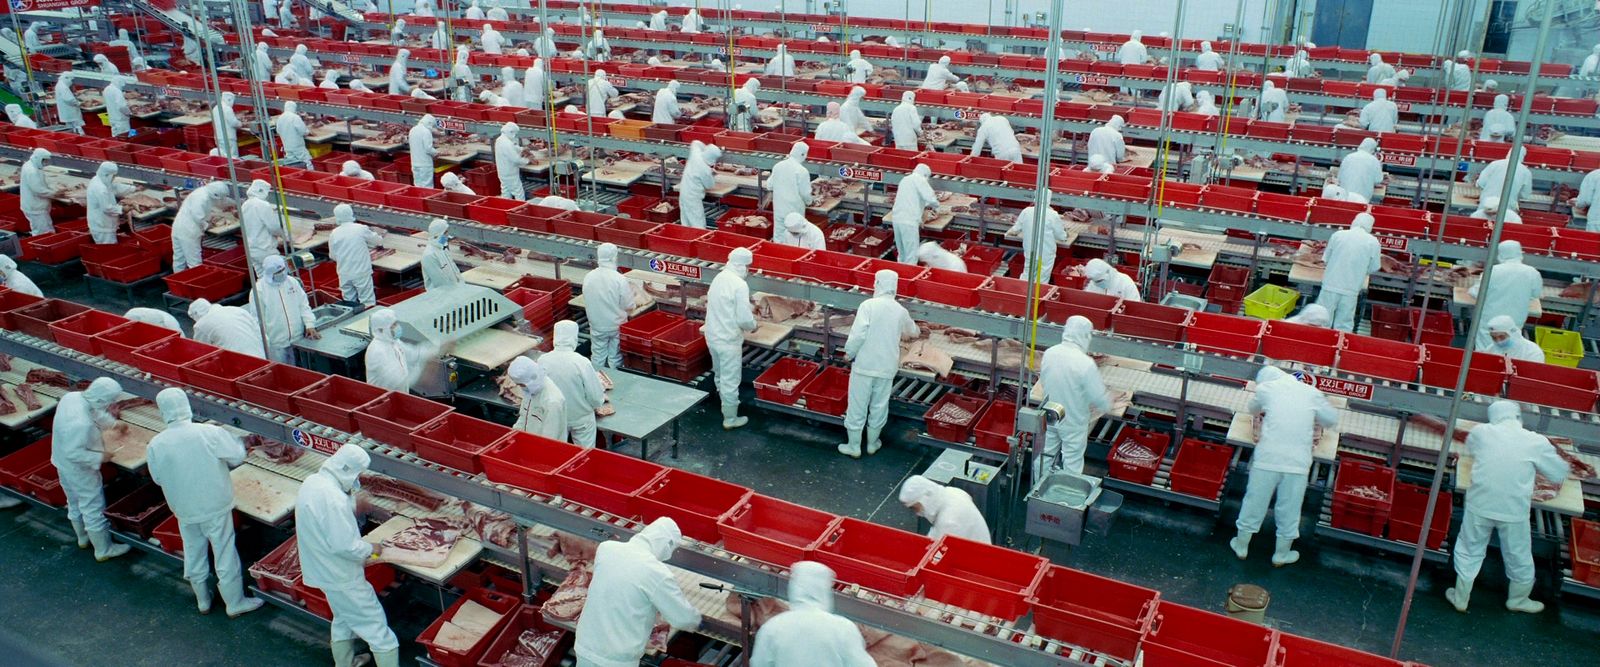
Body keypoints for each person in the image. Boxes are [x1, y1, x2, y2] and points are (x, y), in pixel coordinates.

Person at [146, 388, 266, 617]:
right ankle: (234, 602)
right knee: (224, 551)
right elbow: (236, 456)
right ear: (186, 406)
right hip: (215, 506)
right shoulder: (208, 433)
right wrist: (242, 444)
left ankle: (203, 599)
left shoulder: (156, 444)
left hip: (184, 509)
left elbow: (158, 478)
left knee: (194, 551)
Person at [1447, 400, 1569, 614]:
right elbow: (1558, 473)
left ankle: (1461, 597)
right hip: (1513, 510)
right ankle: (1518, 600)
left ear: (1493, 416)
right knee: (1518, 555)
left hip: (1480, 504)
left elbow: (1474, 449)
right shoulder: (1535, 441)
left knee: (1469, 548)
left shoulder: (1481, 432)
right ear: (1517, 418)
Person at [295, 444, 401, 667]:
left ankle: (345, 664)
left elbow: (326, 514)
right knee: (378, 630)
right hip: (341, 575)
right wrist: (372, 549)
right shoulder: (335, 499)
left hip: (322, 570)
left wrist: (354, 506)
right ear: (350, 471)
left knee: (343, 619)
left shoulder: (312, 482)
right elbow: (345, 546)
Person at [1228, 366, 1338, 566]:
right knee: (1290, 507)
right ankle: (1281, 555)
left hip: (1267, 458)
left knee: (1254, 502)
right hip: (1298, 463)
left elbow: (1252, 409)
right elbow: (1331, 419)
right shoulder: (1312, 393)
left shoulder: (1266, 389)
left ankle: (1242, 546)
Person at [574, 517, 701, 667]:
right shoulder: (656, 572)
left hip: (585, 645)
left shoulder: (607, 549)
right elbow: (684, 619)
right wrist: (700, 621)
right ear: (667, 545)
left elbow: (621, 591)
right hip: (616, 659)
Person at [836, 270, 919, 458]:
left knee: (857, 405)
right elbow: (913, 331)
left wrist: (849, 353)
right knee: (879, 405)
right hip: (886, 367)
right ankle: (872, 444)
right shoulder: (900, 310)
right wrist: (917, 329)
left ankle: (854, 446)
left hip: (865, 365)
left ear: (878, 284)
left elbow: (858, 335)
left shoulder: (868, 306)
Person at [51, 377, 133, 561]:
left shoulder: (72, 397)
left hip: (60, 461)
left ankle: (83, 538)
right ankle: (103, 550)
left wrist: (112, 423)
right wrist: (99, 457)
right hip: (78, 468)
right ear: (103, 400)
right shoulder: (82, 424)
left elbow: (93, 410)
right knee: (92, 506)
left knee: (73, 501)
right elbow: (74, 452)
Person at [750, 565, 875, 667]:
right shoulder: (842, 628)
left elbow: (759, 663)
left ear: (794, 588)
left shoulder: (773, 627)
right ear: (823, 590)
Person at [1037, 316, 1110, 478]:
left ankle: (1037, 490)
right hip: (1073, 420)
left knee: (1045, 456)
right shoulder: (1085, 363)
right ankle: (1064, 498)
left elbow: (1044, 380)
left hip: (1050, 414)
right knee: (1072, 462)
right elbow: (1099, 399)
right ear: (1084, 336)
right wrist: (1109, 402)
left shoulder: (1050, 353)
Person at [704, 248, 759, 430]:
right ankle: (730, 418)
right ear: (744, 265)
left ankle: (723, 404)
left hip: (712, 335)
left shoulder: (719, 278)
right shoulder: (739, 285)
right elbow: (743, 318)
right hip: (728, 340)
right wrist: (753, 325)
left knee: (719, 374)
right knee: (730, 379)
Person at [1312, 212, 1383, 332]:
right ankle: (1338, 348)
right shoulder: (1373, 242)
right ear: (1370, 226)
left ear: (1354, 221)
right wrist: (1360, 271)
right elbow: (1374, 267)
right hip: (1351, 289)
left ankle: (1319, 345)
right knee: (1344, 325)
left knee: (1321, 320)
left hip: (1330, 285)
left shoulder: (1338, 235)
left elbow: (1326, 259)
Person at [540, 320, 606, 447]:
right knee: (585, 453)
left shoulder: (543, 360)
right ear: (574, 338)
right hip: (580, 417)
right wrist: (597, 404)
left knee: (558, 451)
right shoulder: (581, 362)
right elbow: (595, 396)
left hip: (556, 415)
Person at [1469, 240, 1544, 351]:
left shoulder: (1493, 270)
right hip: (1515, 321)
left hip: (1490, 320)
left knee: (1485, 352)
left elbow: (1476, 293)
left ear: (1500, 253)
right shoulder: (1532, 273)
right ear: (1519, 253)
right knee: (1509, 353)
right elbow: (1536, 294)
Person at [249, 255, 318, 363]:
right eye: (278, 272)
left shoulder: (292, 282)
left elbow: (303, 305)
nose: (281, 273)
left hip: (299, 338)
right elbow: (258, 320)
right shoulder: (259, 290)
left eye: (282, 270)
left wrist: (309, 324)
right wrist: (265, 343)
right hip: (276, 343)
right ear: (270, 273)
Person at [581, 243, 632, 370]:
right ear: (614, 257)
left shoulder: (589, 277)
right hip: (616, 325)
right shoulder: (619, 279)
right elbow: (628, 305)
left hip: (597, 324)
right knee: (615, 356)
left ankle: (597, 380)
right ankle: (615, 379)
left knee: (598, 355)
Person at [898, 475, 990, 543]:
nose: (917, 513)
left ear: (925, 499)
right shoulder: (952, 492)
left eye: (915, 508)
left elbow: (940, 554)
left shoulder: (948, 521)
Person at [328, 204, 382, 307]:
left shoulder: (334, 233)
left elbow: (332, 256)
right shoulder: (360, 229)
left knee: (349, 304)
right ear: (351, 213)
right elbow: (378, 241)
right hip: (361, 272)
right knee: (367, 302)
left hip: (344, 274)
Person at [172, 182, 230, 272]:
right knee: (194, 262)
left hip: (179, 226)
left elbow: (222, 201)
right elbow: (198, 216)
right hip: (188, 230)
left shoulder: (202, 192)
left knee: (179, 258)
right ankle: (197, 283)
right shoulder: (202, 197)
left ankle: (177, 282)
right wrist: (207, 225)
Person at [507, 356, 567, 440]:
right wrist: (513, 434)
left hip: (543, 448)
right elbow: (523, 416)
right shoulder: (530, 390)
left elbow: (550, 438)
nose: (520, 387)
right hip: (529, 442)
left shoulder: (552, 401)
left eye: (521, 385)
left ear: (530, 381)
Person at [889, 164, 938, 264]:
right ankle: (909, 277)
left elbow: (914, 197)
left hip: (897, 220)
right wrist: (938, 207)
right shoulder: (920, 179)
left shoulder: (905, 179)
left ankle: (900, 273)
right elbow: (931, 198)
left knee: (902, 253)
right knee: (912, 255)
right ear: (925, 175)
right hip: (909, 222)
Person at [1007, 205, 1068, 283]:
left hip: (1030, 250)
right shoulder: (1053, 214)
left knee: (1027, 273)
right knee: (1042, 276)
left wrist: (1010, 232)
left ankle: (1022, 292)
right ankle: (1037, 294)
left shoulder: (1027, 211)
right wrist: (1065, 235)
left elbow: (1016, 229)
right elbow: (1060, 236)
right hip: (1046, 252)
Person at [189, 298, 266, 357]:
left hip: (238, 362)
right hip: (261, 354)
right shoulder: (235, 310)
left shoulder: (201, 324)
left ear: (196, 314)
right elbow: (259, 332)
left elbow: (201, 351)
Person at [239, 180, 287, 275]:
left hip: (252, 249)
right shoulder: (263, 205)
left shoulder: (245, 205)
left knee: (262, 277)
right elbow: (273, 227)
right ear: (263, 191)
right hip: (265, 249)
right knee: (279, 276)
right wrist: (284, 236)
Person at [768, 143, 814, 240]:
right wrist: (810, 201)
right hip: (794, 212)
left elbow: (769, 185)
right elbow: (805, 193)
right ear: (803, 155)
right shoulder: (802, 171)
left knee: (779, 238)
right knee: (795, 239)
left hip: (779, 209)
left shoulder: (778, 166)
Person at [677, 141, 720, 229]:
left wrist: (705, 148)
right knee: (698, 223)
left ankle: (687, 240)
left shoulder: (696, 155)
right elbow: (709, 186)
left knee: (686, 222)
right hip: (693, 198)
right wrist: (712, 174)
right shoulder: (705, 170)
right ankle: (699, 241)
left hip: (683, 192)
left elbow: (695, 143)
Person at [1476, 146, 1533, 211]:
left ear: (1508, 153)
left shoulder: (1495, 164)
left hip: (1487, 205)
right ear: (1523, 156)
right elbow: (1525, 195)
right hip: (1507, 208)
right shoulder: (1526, 172)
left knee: (1482, 220)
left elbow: (1481, 183)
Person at [19, 148, 55, 236]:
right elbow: (39, 190)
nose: (46, 163)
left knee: (41, 229)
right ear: (39, 158)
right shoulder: (32, 171)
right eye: (45, 161)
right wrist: (55, 193)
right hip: (36, 207)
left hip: (33, 205)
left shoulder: (30, 164)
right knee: (44, 233)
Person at [420, 219, 463, 291]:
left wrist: (462, 287)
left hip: (455, 293)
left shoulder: (443, 249)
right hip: (443, 298)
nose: (448, 235)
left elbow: (456, 272)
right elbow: (441, 284)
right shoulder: (429, 256)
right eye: (445, 232)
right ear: (438, 234)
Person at [1337, 138, 1383, 203]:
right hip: (1362, 199)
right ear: (1372, 149)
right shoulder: (1374, 160)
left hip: (1344, 196)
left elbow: (1339, 177)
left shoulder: (1348, 157)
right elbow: (1378, 180)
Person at [490, 122, 528, 200]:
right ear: (511, 132)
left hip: (502, 172)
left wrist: (522, 149)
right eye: (515, 133)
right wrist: (527, 160)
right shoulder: (506, 143)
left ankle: (507, 206)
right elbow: (516, 159)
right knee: (518, 192)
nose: (515, 135)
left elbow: (514, 146)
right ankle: (521, 209)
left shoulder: (500, 139)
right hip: (510, 172)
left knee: (506, 191)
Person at [275, 101, 312, 168]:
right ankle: (311, 176)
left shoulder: (280, 118)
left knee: (292, 164)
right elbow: (303, 131)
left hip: (287, 147)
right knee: (307, 162)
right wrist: (308, 131)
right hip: (297, 147)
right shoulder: (295, 117)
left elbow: (278, 131)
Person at [409, 115, 439, 187]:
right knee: (427, 186)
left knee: (417, 185)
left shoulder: (413, 130)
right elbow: (428, 149)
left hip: (415, 163)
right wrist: (436, 153)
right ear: (429, 123)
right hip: (425, 164)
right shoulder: (426, 131)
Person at [212, 91, 242, 158]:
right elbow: (234, 123)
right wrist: (241, 124)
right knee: (233, 157)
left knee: (223, 157)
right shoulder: (227, 109)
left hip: (219, 137)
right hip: (229, 138)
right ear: (229, 100)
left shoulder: (215, 108)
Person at [1573, 166, 1600, 232]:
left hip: (1596, 221)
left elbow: (1585, 201)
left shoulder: (1594, 175)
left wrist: (1576, 202)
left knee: (1593, 242)